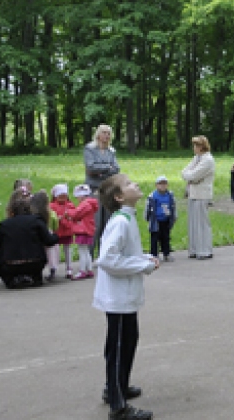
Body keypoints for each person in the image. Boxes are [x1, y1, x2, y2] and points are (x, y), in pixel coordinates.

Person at [94, 173, 158, 420]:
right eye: (130, 184)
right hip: (117, 298)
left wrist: (143, 258)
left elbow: (125, 253)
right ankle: (118, 406)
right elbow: (108, 259)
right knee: (120, 346)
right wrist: (142, 265)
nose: (136, 184)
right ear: (119, 197)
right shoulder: (120, 222)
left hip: (125, 296)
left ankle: (116, 387)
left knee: (128, 340)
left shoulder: (126, 218)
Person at [0, 191, 59, 289]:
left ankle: (10, 280)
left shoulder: (5, 224)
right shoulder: (37, 221)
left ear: (12, 211)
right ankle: (35, 278)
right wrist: (57, 235)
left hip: (11, 265)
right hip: (35, 262)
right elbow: (49, 241)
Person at [85, 124, 121, 253]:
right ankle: (88, 256)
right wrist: (108, 168)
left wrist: (101, 170)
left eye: (108, 133)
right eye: (104, 133)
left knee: (107, 224)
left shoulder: (111, 151)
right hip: (94, 189)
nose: (106, 135)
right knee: (95, 223)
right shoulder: (90, 149)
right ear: (98, 134)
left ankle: (104, 255)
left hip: (108, 190)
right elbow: (90, 167)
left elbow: (116, 169)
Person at [182, 135, 216, 259]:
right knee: (193, 223)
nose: (194, 148)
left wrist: (190, 176)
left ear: (202, 146)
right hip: (193, 193)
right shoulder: (197, 158)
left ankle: (205, 250)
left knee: (202, 223)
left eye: (196, 145)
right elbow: (184, 172)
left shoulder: (208, 160)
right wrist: (189, 175)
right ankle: (194, 249)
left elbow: (193, 176)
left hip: (202, 194)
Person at [30, 190, 61, 281]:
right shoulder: (51, 213)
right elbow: (56, 225)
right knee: (51, 253)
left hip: (39, 237)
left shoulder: (33, 215)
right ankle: (52, 269)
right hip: (49, 233)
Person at [145, 176, 177, 262]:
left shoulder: (170, 195)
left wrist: (174, 217)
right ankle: (154, 255)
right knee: (154, 239)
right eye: (160, 184)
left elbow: (173, 206)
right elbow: (148, 207)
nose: (162, 186)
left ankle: (166, 253)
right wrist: (147, 217)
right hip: (156, 221)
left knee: (166, 238)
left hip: (166, 220)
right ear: (156, 185)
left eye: (164, 184)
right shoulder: (153, 196)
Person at [70, 184, 98, 279]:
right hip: (87, 229)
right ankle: (88, 269)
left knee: (82, 251)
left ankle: (82, 270)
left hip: (83, 230)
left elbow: (76, 214)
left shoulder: (85, 205)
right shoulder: (90, 204)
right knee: (86, 251)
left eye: (77, 196)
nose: (77, 199)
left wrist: (68, 213)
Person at [50, 184, 77, 279]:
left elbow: (73, 215)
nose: (62, 199)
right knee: (55, 250)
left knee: (67, 250)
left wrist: (67, 217)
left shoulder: (70, 205)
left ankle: (69, 268)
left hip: (67, 231)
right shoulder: (52, 206)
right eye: (60, 197)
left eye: (64, 196)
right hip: (57, 231)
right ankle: (53, 267)